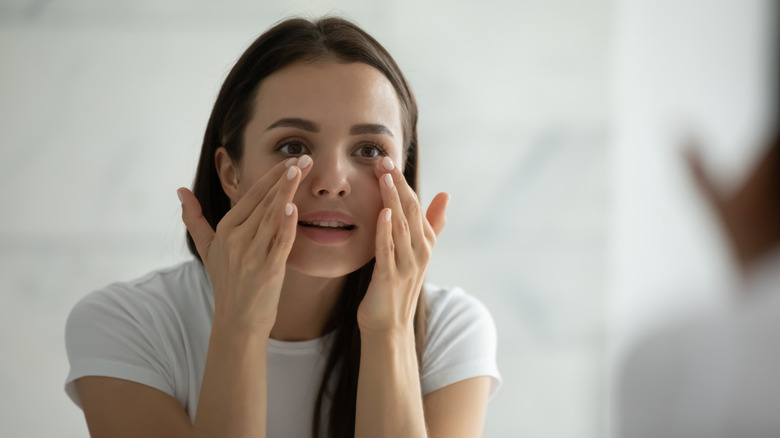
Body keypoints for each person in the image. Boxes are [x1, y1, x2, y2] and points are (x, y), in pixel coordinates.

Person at [63, 17, 501, 438]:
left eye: (369, 150)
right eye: (293, 146)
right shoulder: (127, 324)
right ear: (231, 172)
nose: (331, 182)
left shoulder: (451, 330)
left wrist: (389, 332)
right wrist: (241, 323)